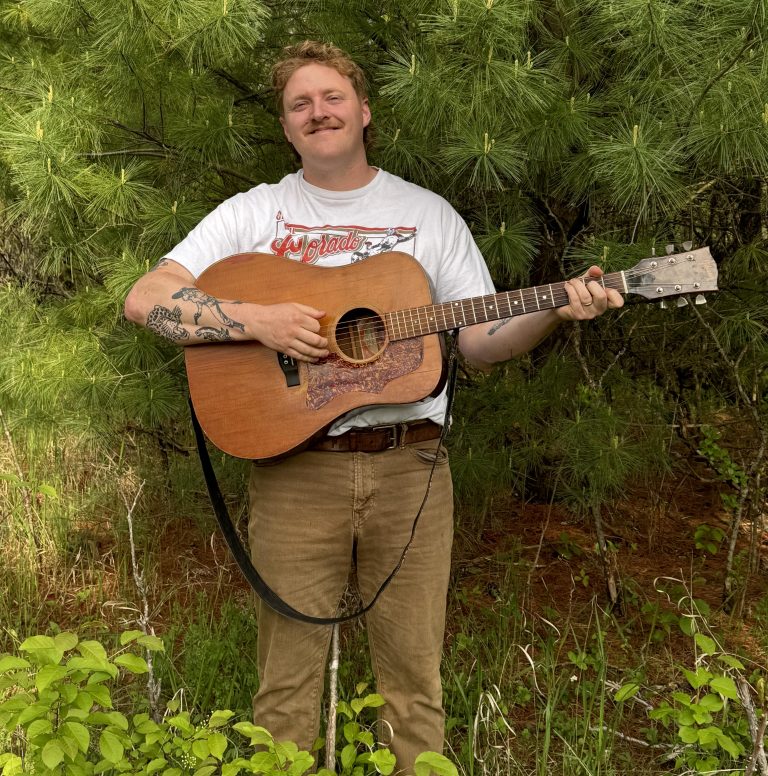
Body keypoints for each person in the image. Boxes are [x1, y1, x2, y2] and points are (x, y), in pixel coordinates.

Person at [124, 40, 624, 773]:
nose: (317, 112)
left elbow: (480, 341)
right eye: (300, 103)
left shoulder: (428, 216)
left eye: (331, 98)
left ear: (363, 110)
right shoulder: (251, 213)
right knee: (286, 688)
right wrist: (252, 321)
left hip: (410, 467)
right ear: (287, 126)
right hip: (296, 471)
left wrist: (556, 308)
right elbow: (146, 298)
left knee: (415, 683)